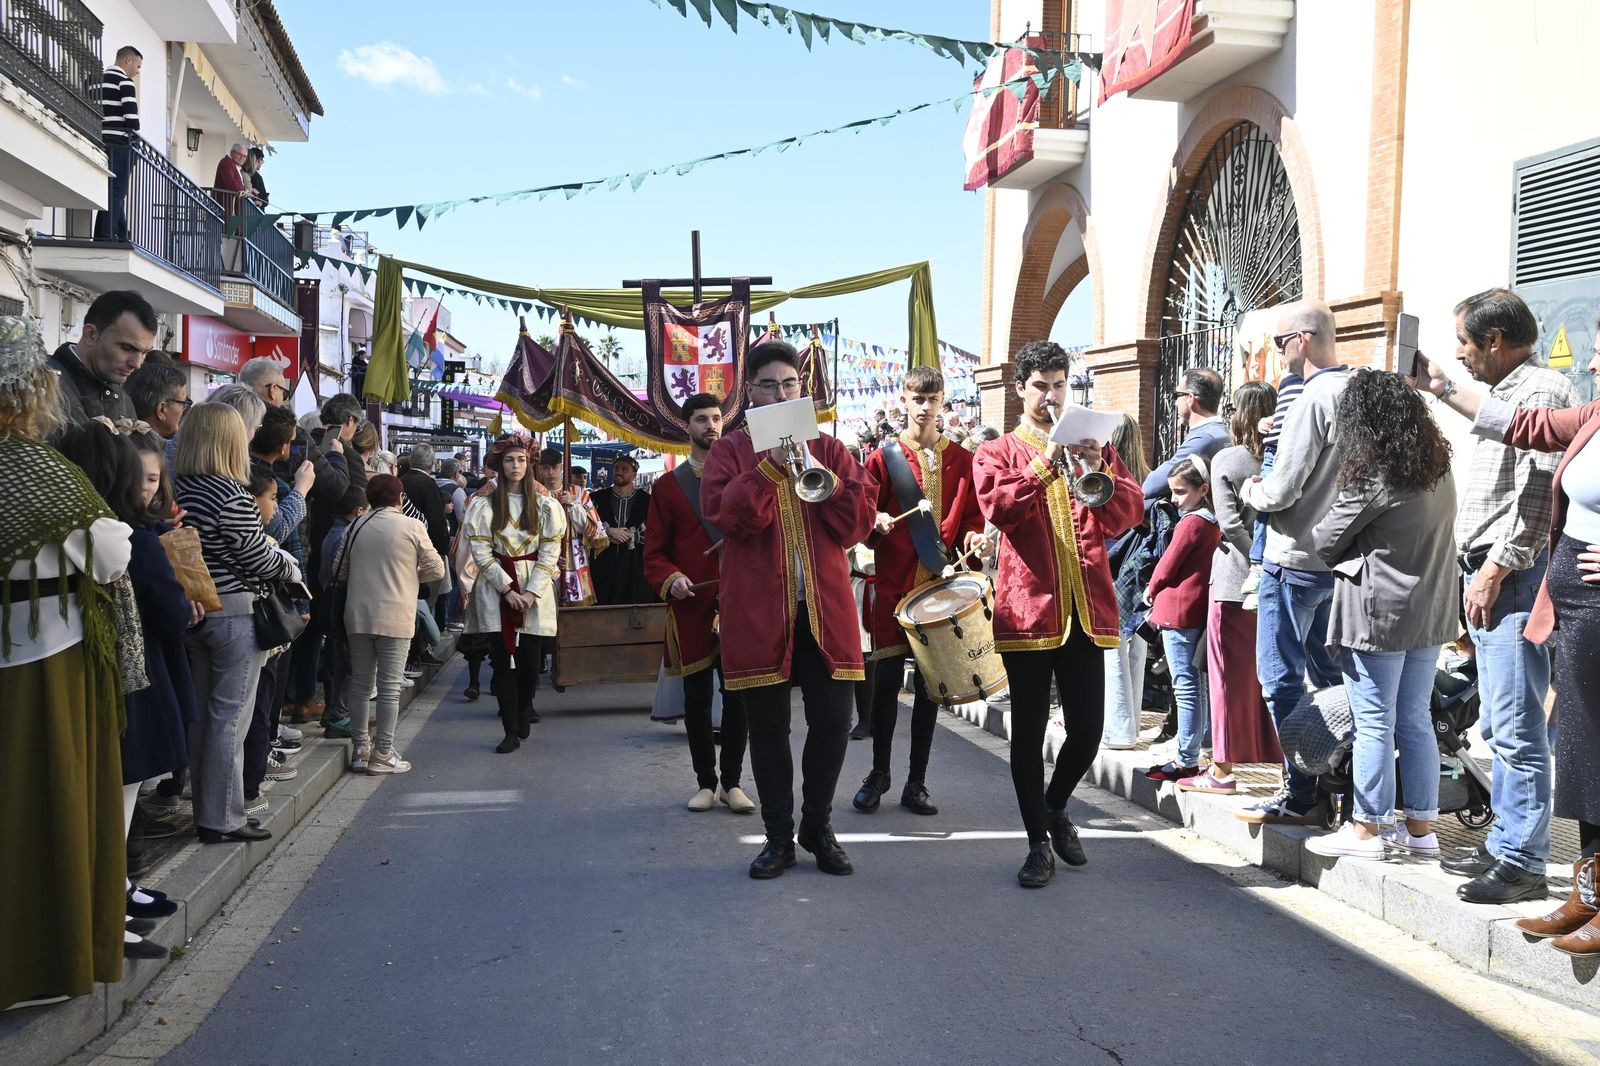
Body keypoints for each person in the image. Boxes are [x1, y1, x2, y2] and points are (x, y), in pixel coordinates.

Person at [1419, 339, 1600, 946]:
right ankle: (1589, 894)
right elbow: (1527, 426)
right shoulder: (1596, 412)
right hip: (1574, 606)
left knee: (1556, 739)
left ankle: (1539, 868)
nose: (1591, 364)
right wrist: (1441, 386)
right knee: (1581, 750)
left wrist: (1499, 566)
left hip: (1581, 602)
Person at [0, 317, 135, 1009]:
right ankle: (41, 962)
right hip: (45, 655)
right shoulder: (39, 470)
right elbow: (111, 554)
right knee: (49, 800)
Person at [702, 340, 875, 880]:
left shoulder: (831, 448)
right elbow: (725, 519)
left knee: (832, 722)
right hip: (758, 612)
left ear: (803, 390)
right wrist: (772, 469)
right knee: (768, 729)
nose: (781, 393)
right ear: (749, 393)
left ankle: (817, 827)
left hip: (825, 611)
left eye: (790, 385)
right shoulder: (731, 451)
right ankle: (778, 837)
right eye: (770, 385)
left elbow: (857, 526)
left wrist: (827, 479)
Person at [973, 340, 1143, 887]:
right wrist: (1049, 462)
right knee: (1026, 733)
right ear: (1021, 389)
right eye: (1042, 385)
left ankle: (1054, 804)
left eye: (1060, 384)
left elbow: (1128, 514)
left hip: (1086, 609)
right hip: (1028, 612)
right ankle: (1036, 843)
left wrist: (1100, 467)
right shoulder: (997, 451)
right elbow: (1000, 508)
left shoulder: (1090, 447)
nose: (1052, 395)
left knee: (1089, 729)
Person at [1302, 370, 1458, 862]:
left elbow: (1323, 539)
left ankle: (1368, 827)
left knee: (1373, 720)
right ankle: (1421, 829)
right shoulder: (1439, 467)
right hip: (1430, 609)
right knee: (1414, 719)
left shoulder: (1376, 474)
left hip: (1379, 614)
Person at [853, 366, 985, 817]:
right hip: (894, 588)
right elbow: (864, 514)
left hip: (941, 587)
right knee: (885, 686)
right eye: (917, 398)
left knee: (933, 688)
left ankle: (916, 782)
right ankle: (879, 773)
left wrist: (972, 538)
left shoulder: (962, 461)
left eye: (932, 398)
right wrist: (875, 522)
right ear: (904, 401)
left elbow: (971, 519)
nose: (925, 406)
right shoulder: (882, 458)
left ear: (943, 401)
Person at [1236, 300, 1349, 825]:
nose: (1278, 354)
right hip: (1338, 559)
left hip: (1293, 557)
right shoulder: (1357, 390)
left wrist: (1255, 488)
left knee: (1280, 679)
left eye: (1280, 343)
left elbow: (1281, 488)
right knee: (1332, 675)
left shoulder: (1310, 397)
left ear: (1302, 339)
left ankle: (1303, 789)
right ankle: (1339, 783)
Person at [175, 403, 299, 845]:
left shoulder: (180, 489)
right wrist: (291, 570)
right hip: (235, 614)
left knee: (203, 719)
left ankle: (205, 811)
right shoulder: (231, 494)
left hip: (196, 611)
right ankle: (222, 818)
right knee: (230, 720)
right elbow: (256, 556)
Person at [643, 393, 753, 813]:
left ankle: (733, 783)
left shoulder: (745, 479)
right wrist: (671, 579)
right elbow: (654, 553)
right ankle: (705, 783)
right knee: (697, 701)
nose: (711, 425)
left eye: (716, 418)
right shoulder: (667, 487)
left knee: (738, 695)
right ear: (686, 426)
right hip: (691, 604)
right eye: (702, 419)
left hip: (740, 603)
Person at [1181, 382, 1282, 794]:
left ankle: (1222, 771)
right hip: (1277, 582)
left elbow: (1229, 523)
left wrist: (1254, 559)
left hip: (1233, 584)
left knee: (1225, 681)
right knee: (1273, 680)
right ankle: (1285, 770)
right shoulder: (1281, 458)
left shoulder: (1228, 458)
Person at [337, 474, 445, 775]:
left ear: (370, 499)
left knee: (360, 684)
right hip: (396, 615)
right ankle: (383, 752)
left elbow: (339, 571)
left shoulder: (355, 525)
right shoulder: (412, 526)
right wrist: (410, 577)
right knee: (388, 689)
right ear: (400, 498)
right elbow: (436, 568)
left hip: (357, 614)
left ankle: (360, 749)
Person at [465, 438, 566, 753]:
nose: (516, 466)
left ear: (529, 463)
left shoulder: (546, 504)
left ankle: (524, 707)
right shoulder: (484, 503)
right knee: (502, 661)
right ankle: (509, 728)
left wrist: (532, 592)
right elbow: (480, 551)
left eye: (521, 460)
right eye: (510, 460)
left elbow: (551, 550)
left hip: (534, 586)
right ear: (500, 464)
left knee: (529, 662)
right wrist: (507, 589)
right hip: (498, 589)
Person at [1142, 457, 1221, 782]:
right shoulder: (1213, 521)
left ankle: (1186, 757)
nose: (1174, 499)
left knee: (1185, 686)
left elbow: (1168, 563)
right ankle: (1195, 749)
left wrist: (1152, 586)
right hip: (1196, 610)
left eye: (1180, 492)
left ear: (1202, 490)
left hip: (1177, 612)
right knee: (1196, 686)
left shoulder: (1191, 523)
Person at [1102, 413, 1153, 749]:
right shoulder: (1149, 478)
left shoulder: (1109, 479)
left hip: (1114, 567)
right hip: (1142, 568)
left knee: (1113, 649)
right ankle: (1130, 724)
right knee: (1137, 647)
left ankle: (1119, 729)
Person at [47, 290, 157, 425]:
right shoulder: (42, 390)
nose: (137, 364)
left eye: (144, 352)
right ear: (91, 335)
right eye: (127, 348)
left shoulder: (124, 401)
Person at [1144, 367, 1230, 499]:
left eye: (1177, 395)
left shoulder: (1205, 438)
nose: (1176, 403)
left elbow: (1152, 485)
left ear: (1190, 398)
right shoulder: (1219, 431)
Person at [591, 454, 655, 605]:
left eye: (624, 469)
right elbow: (584, 527)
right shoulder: (597, 498)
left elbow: (657, 533)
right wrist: (608, 531)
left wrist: (634, 536)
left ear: (634, 475)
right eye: (617, 468)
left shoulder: (647, 500)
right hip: (604, 566)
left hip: (635, 567)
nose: (619, 472)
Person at [94, 45, 141, 242]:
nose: (138, 72)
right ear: (127, 61)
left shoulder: (93, 81)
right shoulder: (125, 82)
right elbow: (133, 120)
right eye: (137, 66)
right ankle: (105, 235)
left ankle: (122, 234)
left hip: (98, 139)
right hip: (119, 142)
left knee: (110, 189)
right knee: (118, 190)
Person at [124, 360, 189, 441]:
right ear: (162, 410)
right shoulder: (169, 451)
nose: (184, 410)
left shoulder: (115, 440)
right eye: (184, 403)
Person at [213, 143, 250, 214]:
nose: (242, 158)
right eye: (240, 154)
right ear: (232, 153)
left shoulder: (235, 166)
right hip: (224, 208)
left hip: (231, 209)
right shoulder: (226, 162)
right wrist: (245, 193)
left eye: (245, 156)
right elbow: (231, 183)